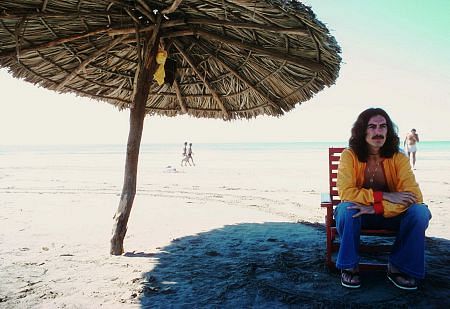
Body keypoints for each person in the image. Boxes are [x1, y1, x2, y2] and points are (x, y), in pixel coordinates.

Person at [335, 108, 431, 290]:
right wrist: (385, 195)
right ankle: (350, 265)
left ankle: (398, 266)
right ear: (362, 130)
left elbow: (415, 197)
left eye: (382, 126)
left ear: (388, 130)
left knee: (420, 212)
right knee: (346, 209)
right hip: (358, 215)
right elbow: (346, 192)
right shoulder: (349, 155)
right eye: (372, 127)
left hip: (392, 215)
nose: (378, 132)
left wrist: (377, 207)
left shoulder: (398, 156)